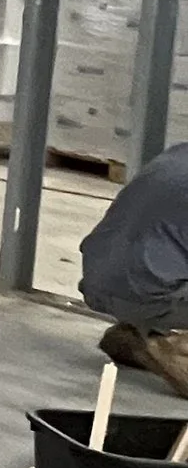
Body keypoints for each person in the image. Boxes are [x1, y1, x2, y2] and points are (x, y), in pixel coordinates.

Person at [79, 141, 188, 400]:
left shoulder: (179, 152)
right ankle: (161, 349)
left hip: (100, 282)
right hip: (150, 291)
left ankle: (137, 335)